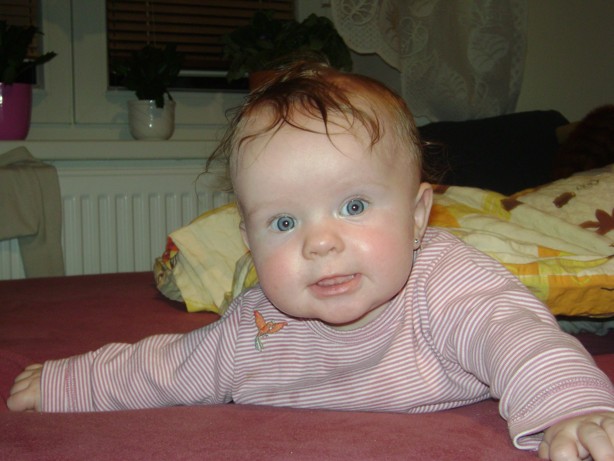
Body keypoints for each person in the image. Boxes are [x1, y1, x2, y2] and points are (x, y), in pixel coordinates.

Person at [8, 60, 614, 460]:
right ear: (249, 242)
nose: (319, 243)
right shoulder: (256, 328)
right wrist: (71, 380)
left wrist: (574, 409)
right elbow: (169, 366)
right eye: (283, 222)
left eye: (354, 205)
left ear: (417, 217)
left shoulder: (448, 286)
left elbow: (519, 339)